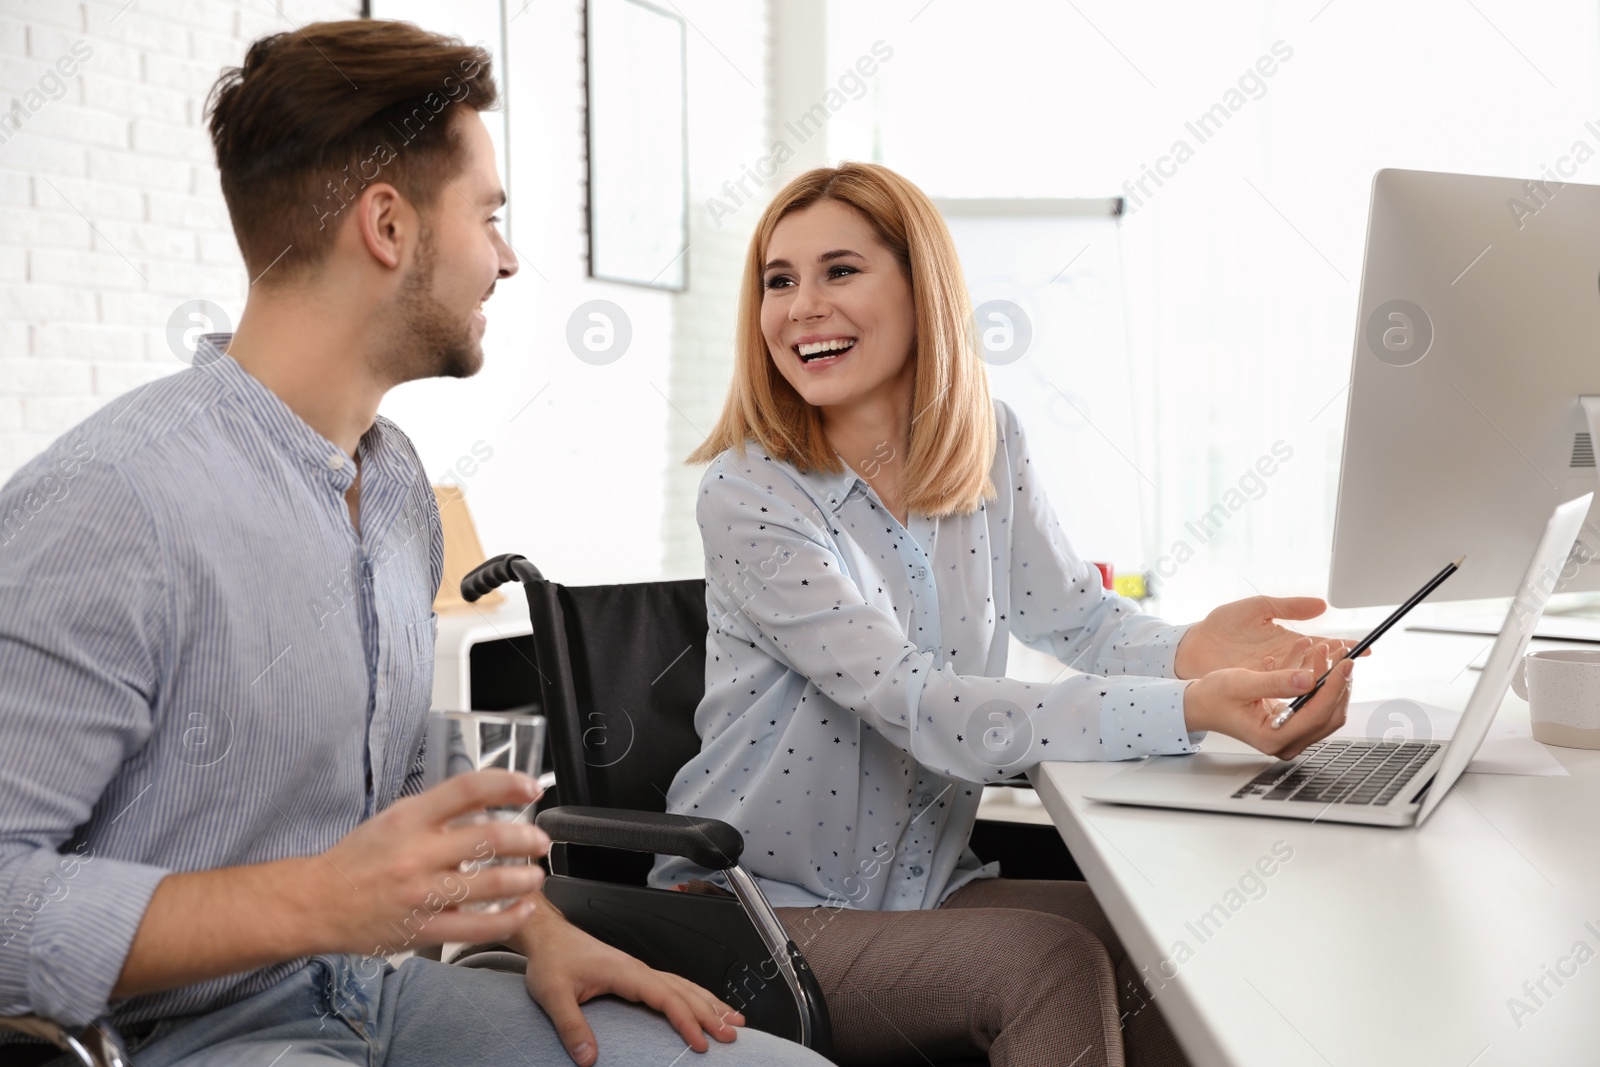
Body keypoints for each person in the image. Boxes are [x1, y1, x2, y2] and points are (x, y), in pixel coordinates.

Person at [0, 21, 825, 1067]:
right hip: (173, 1039)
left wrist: (542, 930)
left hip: (371, 999)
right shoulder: (109, 501)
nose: (509, 256)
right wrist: (312, 899)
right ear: (388, 226)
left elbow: (387, 812)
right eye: (488, 215)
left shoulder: (393, 490)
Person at [649, 162, 1358, 1067]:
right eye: (778, 281)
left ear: (922, 288)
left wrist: (1188, 651)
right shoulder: (750, 489)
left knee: (1179, 945)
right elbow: (917, 701)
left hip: (928, 886)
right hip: (754, 914)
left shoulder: (989, 440)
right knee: (1050, 963)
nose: (800, 306)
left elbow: (1079, 621)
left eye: (839, 271)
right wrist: (1189, 706)